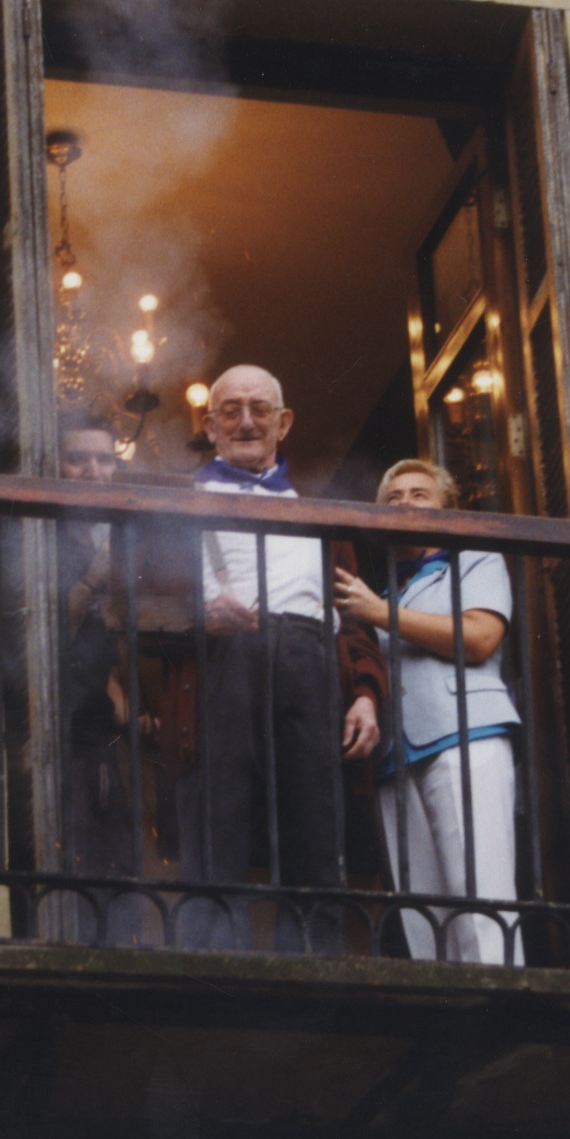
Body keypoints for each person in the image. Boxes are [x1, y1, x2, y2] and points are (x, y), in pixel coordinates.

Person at [175, 364, 385, 953]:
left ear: (283, 423)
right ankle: (217, 968)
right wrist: (201, 612)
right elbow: (143, 593)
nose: (246, 422)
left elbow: (353, 618)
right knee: (221, 819)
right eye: (231, 410)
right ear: (209, 426)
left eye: (260, 409)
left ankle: (316, 968)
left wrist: (364, 693)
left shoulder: (317, 515)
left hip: (309, 661)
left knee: (314, 822)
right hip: (225, 658)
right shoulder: (179, 504)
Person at [333, 459, 520, 965]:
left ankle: (502, 1006)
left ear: (447, 509)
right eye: (393, 499)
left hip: (467, 737)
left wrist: (379, 613)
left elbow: (479, 637)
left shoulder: (474, 559)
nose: (406, 505)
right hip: (395, 761)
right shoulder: (383, 591)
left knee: (482, 904)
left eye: (420, 494)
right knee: (425, 924)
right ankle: (453, 1015)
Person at [57, 409, 144, 946]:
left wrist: (114, 686)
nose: (94, 471)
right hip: (54, 725)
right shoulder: (41, 533)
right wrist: (95, 577)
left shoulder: (103, 534)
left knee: (116, 856)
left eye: (105, 460)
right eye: (78, 459)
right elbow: (47, 632)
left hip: (96, 725)